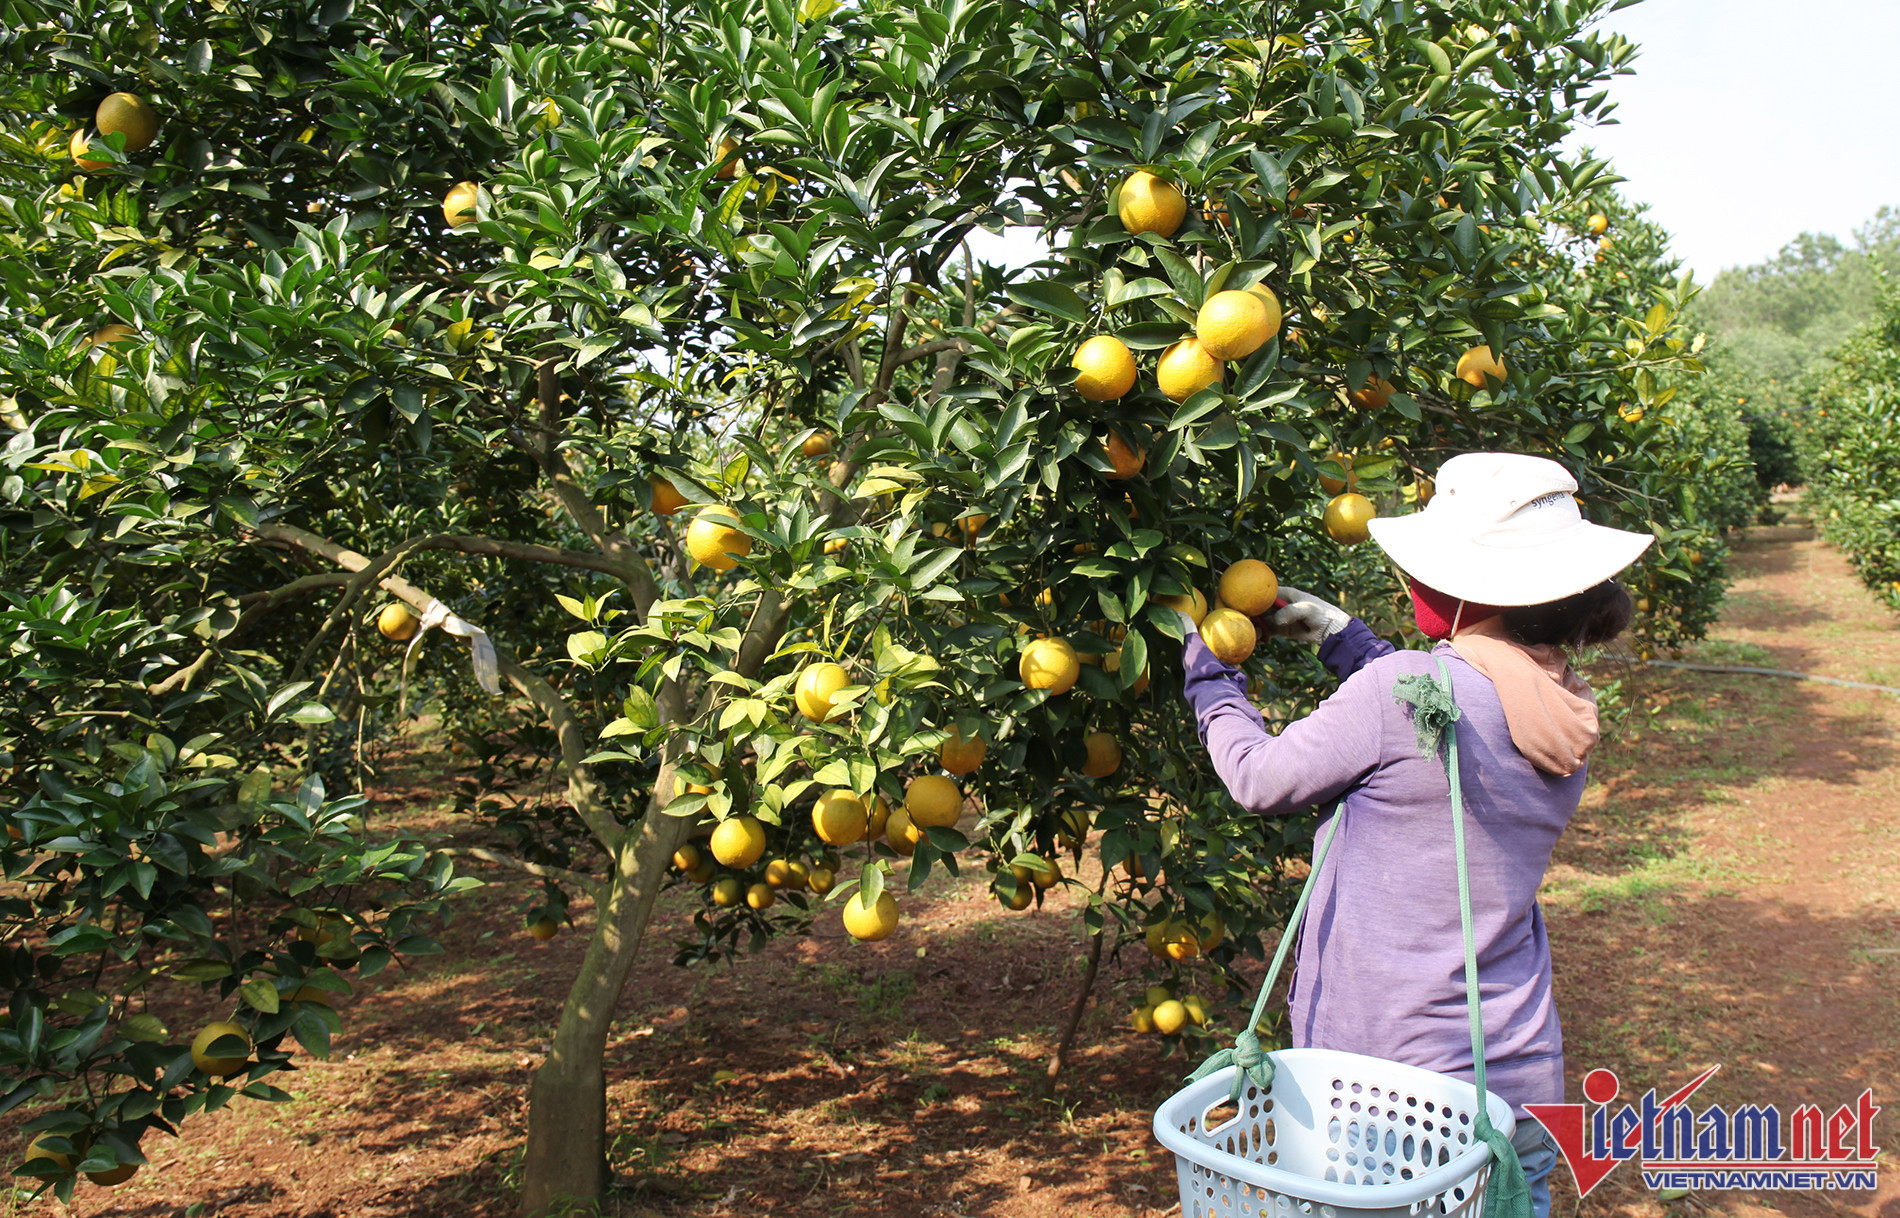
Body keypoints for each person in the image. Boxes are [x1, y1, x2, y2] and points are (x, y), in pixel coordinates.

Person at [1178, 453, 1651, 1218]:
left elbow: (1258, 778)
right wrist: (1346, 641)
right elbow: (1454, 718)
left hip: (1391, 1091)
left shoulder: (1398, 695)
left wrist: (1209, 675)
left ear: (1457, 590)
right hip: (1516, 1085)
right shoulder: (1566, 713)